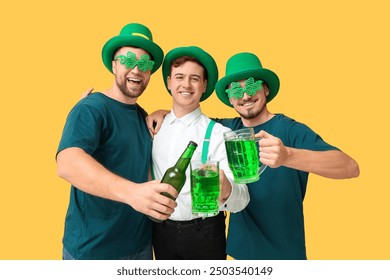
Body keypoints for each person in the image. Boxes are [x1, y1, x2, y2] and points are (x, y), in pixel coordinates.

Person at [147, 52, 360, 260]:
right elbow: (190, 119)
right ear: (230, 98)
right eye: (237, 91)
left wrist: (288, 155)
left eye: (251, 86)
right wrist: (161, 114)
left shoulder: (289, 130)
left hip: (284, 254)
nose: (246, 96)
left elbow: (350, 167)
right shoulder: (227, 129)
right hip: (241, 254)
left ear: (265, 88)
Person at [56, 23, 178, 260]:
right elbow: (67, 163)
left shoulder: (144, 117)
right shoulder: (92, 108)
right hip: (93, 252)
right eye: (128, 60)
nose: (136, 70)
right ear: (114, 64)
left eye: (144, 64)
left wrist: (169, 113)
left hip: (140, 249)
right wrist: (132, 193)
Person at [151, 46, 249, 260]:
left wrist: (227, 189)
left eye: (194, 78)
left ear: (204, 85)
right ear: (169, 82)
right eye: (179, 77)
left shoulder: (219, 134)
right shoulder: (153, 127)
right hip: (160, 232)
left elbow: (242, 200)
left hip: (205, 233)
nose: (186, 84)